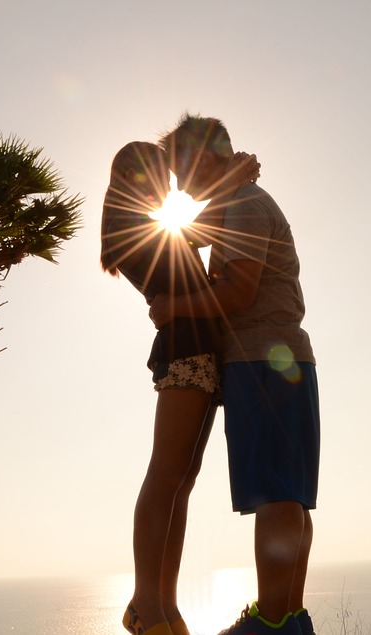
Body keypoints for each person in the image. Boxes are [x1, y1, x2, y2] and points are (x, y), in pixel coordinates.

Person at [151, 115, 320, 635]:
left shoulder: (245, 205)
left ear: (203, 158)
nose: (178, 185)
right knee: (287, 492)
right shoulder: (238, 200)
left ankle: (271, 622)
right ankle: (287, 617)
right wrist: (231, 176)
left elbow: (239, 292)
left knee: (276, 493)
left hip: (261, 360)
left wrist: (172, 308)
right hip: (276, 360)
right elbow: (190, 231)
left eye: (182, 170)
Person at [101, 141, 259, 635]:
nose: (166, 190)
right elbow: (202, 233)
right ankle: (147, 606)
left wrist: (229, 184)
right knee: (166, 478)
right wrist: (231, 183)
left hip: (200, 357)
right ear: (133, 176)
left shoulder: (149, 226)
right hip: (185, 356)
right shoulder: (129, 227)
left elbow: (195, 236)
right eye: (157, 179)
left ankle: (164, 607)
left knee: (181, 485)